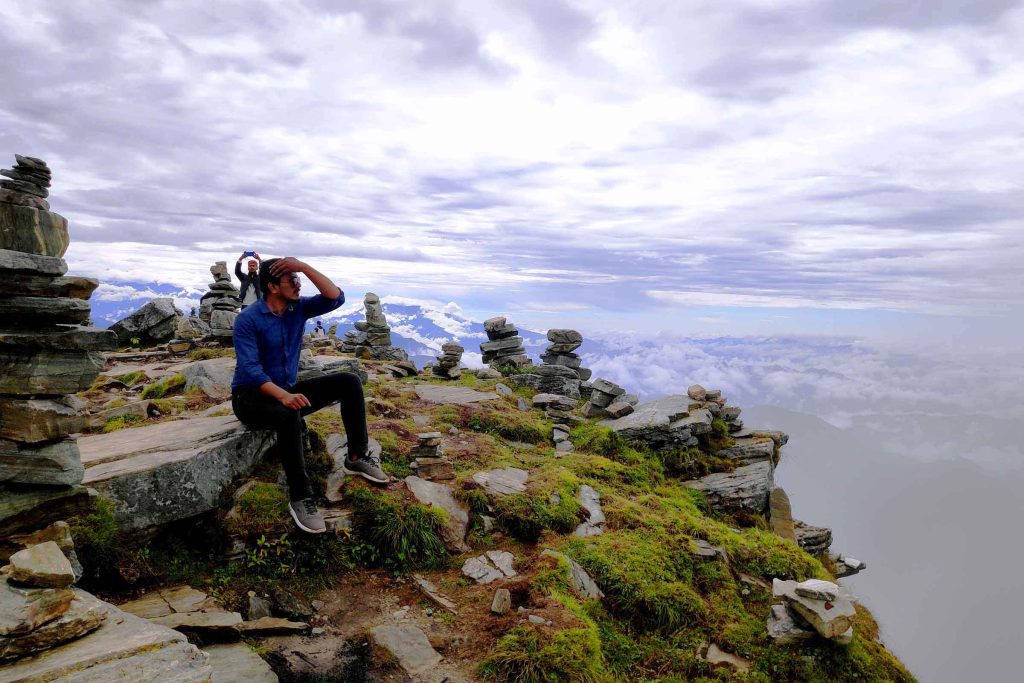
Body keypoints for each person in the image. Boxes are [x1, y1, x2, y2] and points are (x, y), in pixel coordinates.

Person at [231, 256, 387, 534]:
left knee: (349, 382)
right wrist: (282, 396)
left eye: (298, 279)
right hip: (250, 398)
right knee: (288, 413)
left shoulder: (297, 309)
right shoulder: (248, 319)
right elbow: (250, 370)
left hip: (286, 390)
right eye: (290, 280)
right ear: (272, 286)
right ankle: (301, 496)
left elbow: (334, 297)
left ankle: (356, 457)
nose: (297, 284)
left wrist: (301, 266)